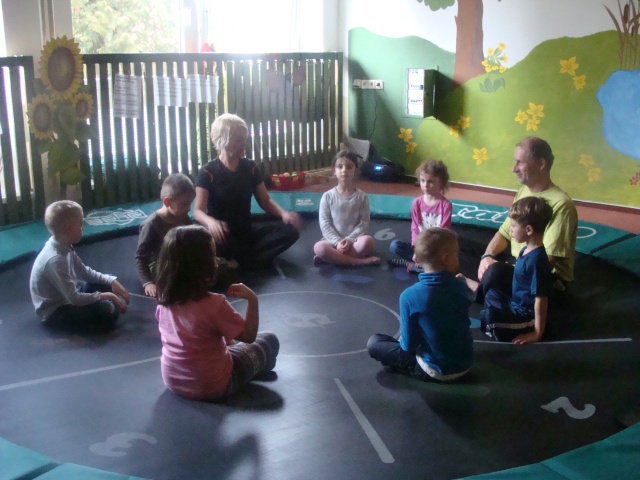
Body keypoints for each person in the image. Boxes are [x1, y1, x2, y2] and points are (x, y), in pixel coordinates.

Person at [155, 225, 279, 401]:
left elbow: (193, 333)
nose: (217, 260)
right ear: (200, 265)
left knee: (225, 340)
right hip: (212, 385)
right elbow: (250, 336)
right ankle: (257, 367)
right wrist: (252, 299)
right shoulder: (214, 304)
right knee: (270, 340)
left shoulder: (164, 299)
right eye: (213, 255)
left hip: (173, 380)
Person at [475, 137, 578, 321]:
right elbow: (504, 232)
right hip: (519, 265)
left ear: (541, 164)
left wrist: (501, 269)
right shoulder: (523, 192)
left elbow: (547, 260)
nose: (514, 168)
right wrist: (487, 256)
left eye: (520, 162)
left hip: (541, 280)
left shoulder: (561, 204)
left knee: (494, 273)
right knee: (475, 255)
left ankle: (483, 295)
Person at [193, 113, 302, 269]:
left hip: (245, 232)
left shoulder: (250, 167)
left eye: (244, 140)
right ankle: (247, 258)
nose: (244, 144)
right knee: (203, 242)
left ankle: (238, 261)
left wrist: (284, 214)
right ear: (222, 140)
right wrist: (211, 222)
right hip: (222, 235)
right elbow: (198, 211)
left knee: (291, 232)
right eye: (238, 140)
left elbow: (265, 200)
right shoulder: (207, 172)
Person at [367, 228, 473, 382]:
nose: (458, 259)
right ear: (446, 259)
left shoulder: (409, 296)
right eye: (456, 255)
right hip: (465, 363)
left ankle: (405, 368)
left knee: (375, 343)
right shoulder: (461, 286)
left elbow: (408, 346)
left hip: (435, 370)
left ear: (417, 258)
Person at [460, 197, 553, 344]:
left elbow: (541, 298)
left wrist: (537, 332)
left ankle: (503, 324)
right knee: (492, 293)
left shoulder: (537, 260)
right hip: (513, 303)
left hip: (525, 315)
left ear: (529, 230)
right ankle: (482, 298)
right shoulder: (525, 249)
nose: (510, 229)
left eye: (514, 226)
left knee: (491, 318)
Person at [29, 200, 129, 333]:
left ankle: (104, 302)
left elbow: (85, 272)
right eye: (81, 224)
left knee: (107, 281)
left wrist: (111, 281)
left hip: (67, 297)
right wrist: (107, 296)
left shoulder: (64, 245)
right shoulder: (56, 260)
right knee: (107, 310)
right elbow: (74, 298)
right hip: (56, 311)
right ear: (69, 229)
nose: (83, 228)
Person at [313, 150, 380, 266]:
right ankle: (358, 262)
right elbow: (324, 223)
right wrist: (337, 242)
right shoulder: (327, 196)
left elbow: (364, 223)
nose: (344, 170)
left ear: (355, 170)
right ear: (334, 171)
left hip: (354, 241)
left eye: (349, 167)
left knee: (368, 242)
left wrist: (349, 240)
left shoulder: (362, 197)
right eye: (340, 167)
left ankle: (333, 258)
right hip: (332, 242)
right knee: (319, 247)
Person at [135, 173, 196, 297]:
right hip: (160, 264)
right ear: (167, 202)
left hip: (179, 258)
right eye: (184, 204)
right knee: (175, 276)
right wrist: (147, 282)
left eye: (190, 204)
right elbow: (141, 256)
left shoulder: (183, 217)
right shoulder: (151, 225)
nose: (189, 209)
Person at [388, 159, 452, 273]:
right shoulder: (417, 203)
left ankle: (413, 266)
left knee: (448, 261)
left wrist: (429, 252)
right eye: (422, 181)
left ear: (441, 183)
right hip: (420, 246)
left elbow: (444, 233)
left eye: (430, 182)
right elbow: (415, 228)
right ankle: (425, 267)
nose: (425, 185)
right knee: (395, 246)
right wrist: (417, 250)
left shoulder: (445, 205)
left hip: (436, 248)